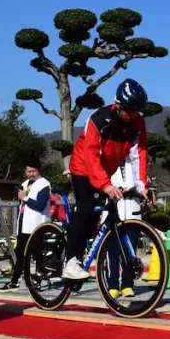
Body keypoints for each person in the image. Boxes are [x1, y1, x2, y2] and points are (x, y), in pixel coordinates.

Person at [64, 78, 150, 281]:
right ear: (118, 104)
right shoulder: (98, 119)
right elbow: (91, 156)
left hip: (105, 171)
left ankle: (82, 256)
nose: (132, 115)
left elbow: (139, 155)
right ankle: (70, 261)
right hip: (83, 167)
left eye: (136, 111)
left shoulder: (138, 123)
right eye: (128, 109)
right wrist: (105, 184)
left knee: (96, 217)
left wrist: (141, 185)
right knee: (86, 207)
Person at [0, 162, 51, 292]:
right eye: (29, 171)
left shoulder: (44, 184)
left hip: (37, 224)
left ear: (38, 170)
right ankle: (15, 281)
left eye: (34, 171)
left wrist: (25, 198)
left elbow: (40, 205)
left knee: (37, 254)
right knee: (20, 254)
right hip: (23, 224)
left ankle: (37, 281)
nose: (31, 174)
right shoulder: (24, 184)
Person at [104, 161, 138, 298]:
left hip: (132, 210)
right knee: (112, 252)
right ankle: (113, 285)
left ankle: (127, 285)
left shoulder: (135, 162)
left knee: (130, 251)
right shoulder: (108, 161)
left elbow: (142, 183)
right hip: (113, 211)